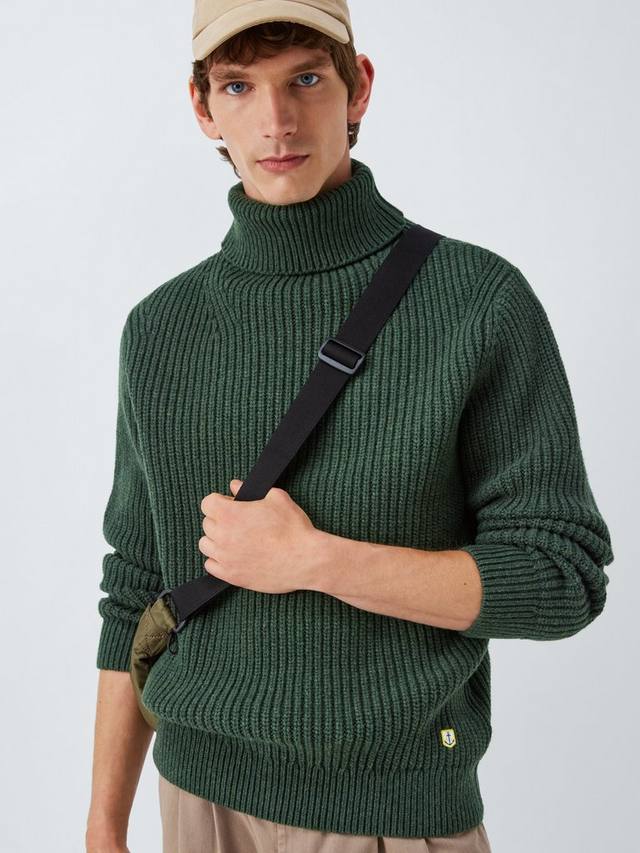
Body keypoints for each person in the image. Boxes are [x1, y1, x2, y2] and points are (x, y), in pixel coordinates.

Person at [85, 2, 615, 851]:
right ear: (202, 107)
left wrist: (313, 560)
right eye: (238, 86)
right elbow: (136, 585)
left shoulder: (476, 303)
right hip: (195, 792)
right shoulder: (161, 327)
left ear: (358, 86)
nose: (276, 121)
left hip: (391, 811)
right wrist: (103, 825)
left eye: (305, 78)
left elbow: (561, 577)